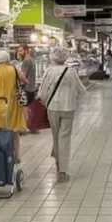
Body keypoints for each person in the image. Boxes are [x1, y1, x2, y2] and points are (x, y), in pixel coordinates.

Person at [37, 48, 86, 182]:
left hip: (52, 108)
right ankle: (63, 170)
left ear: (52, 58)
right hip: (68, 108)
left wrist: (46, 100)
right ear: (65, 58)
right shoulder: (71, 72)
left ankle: (58, 163)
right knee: (64, 137)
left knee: (56, 135)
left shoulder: (49, 72)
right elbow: (82, 90)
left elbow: (41, 93)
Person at [0, 50, 26, 163]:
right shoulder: (13, 70)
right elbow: (24, 80)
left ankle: (1, 154)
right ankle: (17, 156)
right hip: (11, 103)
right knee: (13, 130)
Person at [18, 45, 39, 134]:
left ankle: (24, 128)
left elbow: (23, 76)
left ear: (26, 51)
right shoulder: (32, 60)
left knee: (24, 108)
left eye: (20, 51)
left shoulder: (26, 61)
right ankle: (32, 127)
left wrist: (18, 77)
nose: (19, 53)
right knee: (30, 108)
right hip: (31, 88)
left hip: (26, 88)